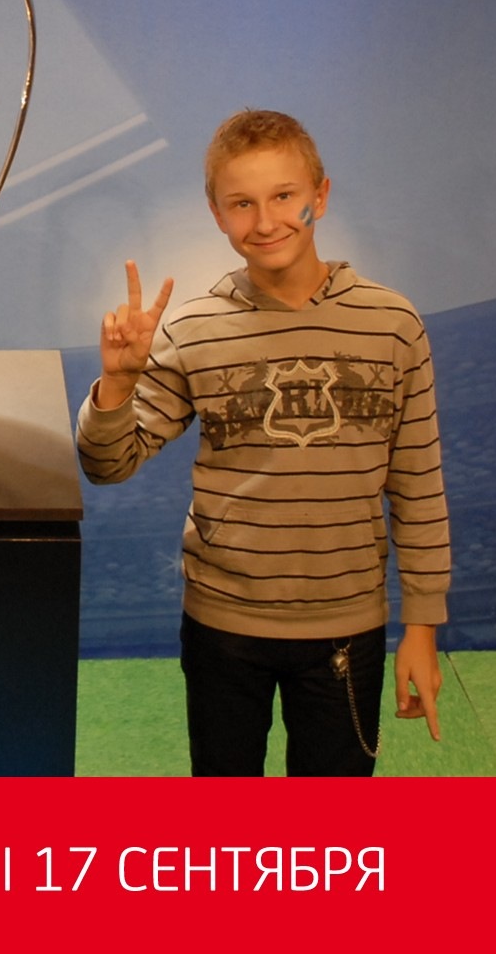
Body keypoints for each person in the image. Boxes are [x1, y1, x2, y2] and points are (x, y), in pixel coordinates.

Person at [75, 108, 449, 775]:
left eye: (284, 196)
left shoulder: (394, 324)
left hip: (347, 627)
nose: (266, 220)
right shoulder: (193, 330)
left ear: (320, 197)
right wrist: (118, 384)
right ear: (217, 214)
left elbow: (418, 483)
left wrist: (421, 626)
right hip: (222, 628)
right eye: (242, 203)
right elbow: (107, 463)